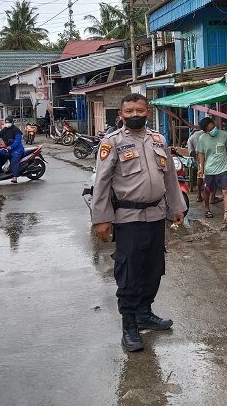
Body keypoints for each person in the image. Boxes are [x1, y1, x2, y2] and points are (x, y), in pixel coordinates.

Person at [91, 93, 186, 353]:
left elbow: (170, 178)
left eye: (140, 110)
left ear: (147, 112)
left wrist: (177, 207)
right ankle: (129, 325)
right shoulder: (112, 142)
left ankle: (145, 313)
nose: (135, 114)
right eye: (129, 111)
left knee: (153, 270)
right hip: (128, 218)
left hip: (156, 216)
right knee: (130, 273)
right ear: (121, 115)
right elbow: (101, 183)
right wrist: (101, 219)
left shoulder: (158, 139)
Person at [197, 117, 227, 229]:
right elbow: (201, 154)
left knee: (226, 190)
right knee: (207, 191)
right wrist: (201, 168)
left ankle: (226, 215)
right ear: (205, 131)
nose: (212, 130)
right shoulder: (202, 139)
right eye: (209, 129)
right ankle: (207, 208)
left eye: (213, 127)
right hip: (209, 169)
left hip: (223, 168)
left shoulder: (224, 135)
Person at [0, 116, 25, 183]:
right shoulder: (5, 129)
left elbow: (17, 141)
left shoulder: (16, 130)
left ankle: (15, 177)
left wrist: (11, 147)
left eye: (8, 122)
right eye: (6, 122)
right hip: (7, 148)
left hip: (17, 149)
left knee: (14, 161)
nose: (7, 123)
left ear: (12, 122)